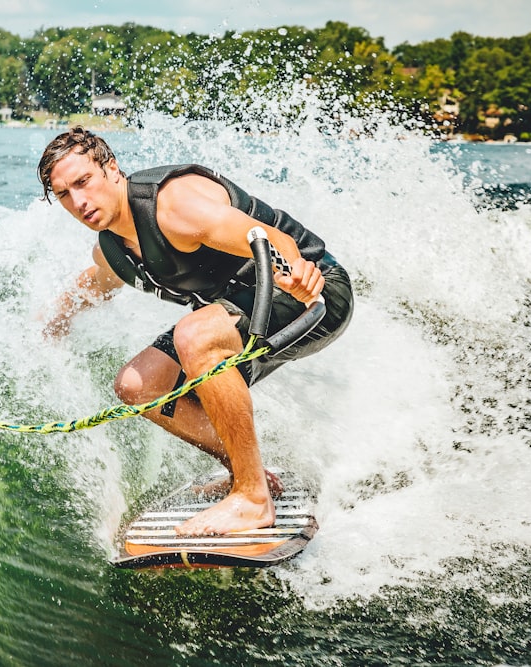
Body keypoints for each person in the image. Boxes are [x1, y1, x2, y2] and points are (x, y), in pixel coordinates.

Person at [38, 127, 353, 536]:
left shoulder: (174, 206)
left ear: (111, 169)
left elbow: (266, 238)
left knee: (194, 336)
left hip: (315, 294)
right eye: (64, 194)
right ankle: (249, 470)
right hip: (243, 309)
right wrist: (54, 322)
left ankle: (253, 498)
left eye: (83, 182)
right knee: (138, 385)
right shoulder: (112, 247)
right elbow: (97, 281)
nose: (78, 201)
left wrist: (293, 272)